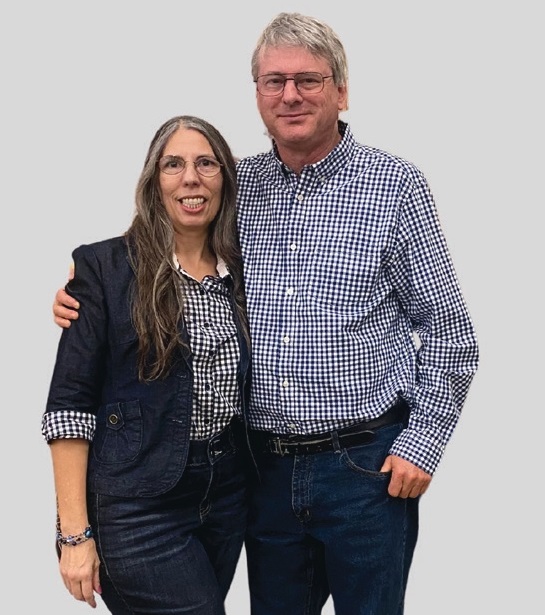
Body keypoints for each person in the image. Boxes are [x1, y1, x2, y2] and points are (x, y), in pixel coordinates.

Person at [52, 12, 479, 615]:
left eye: (308, 80)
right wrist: (88, 289)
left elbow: (450, 333)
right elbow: (167, 244)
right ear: (256, 94)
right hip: (261, 475)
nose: (290, 95)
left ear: (341, 91)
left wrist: (423, 441)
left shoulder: (395, 185)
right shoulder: (238, 185)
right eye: (274, 81)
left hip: (364, 470)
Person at [43, 115, 252, 614]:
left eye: (206, 164)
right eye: (173, 165)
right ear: (153, 180)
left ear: (225, 176)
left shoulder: (245, 268)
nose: (190, 178)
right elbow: (69, 408)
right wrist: (73, 535)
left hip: (227, 494)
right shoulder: (105, 268)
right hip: (137, 506)